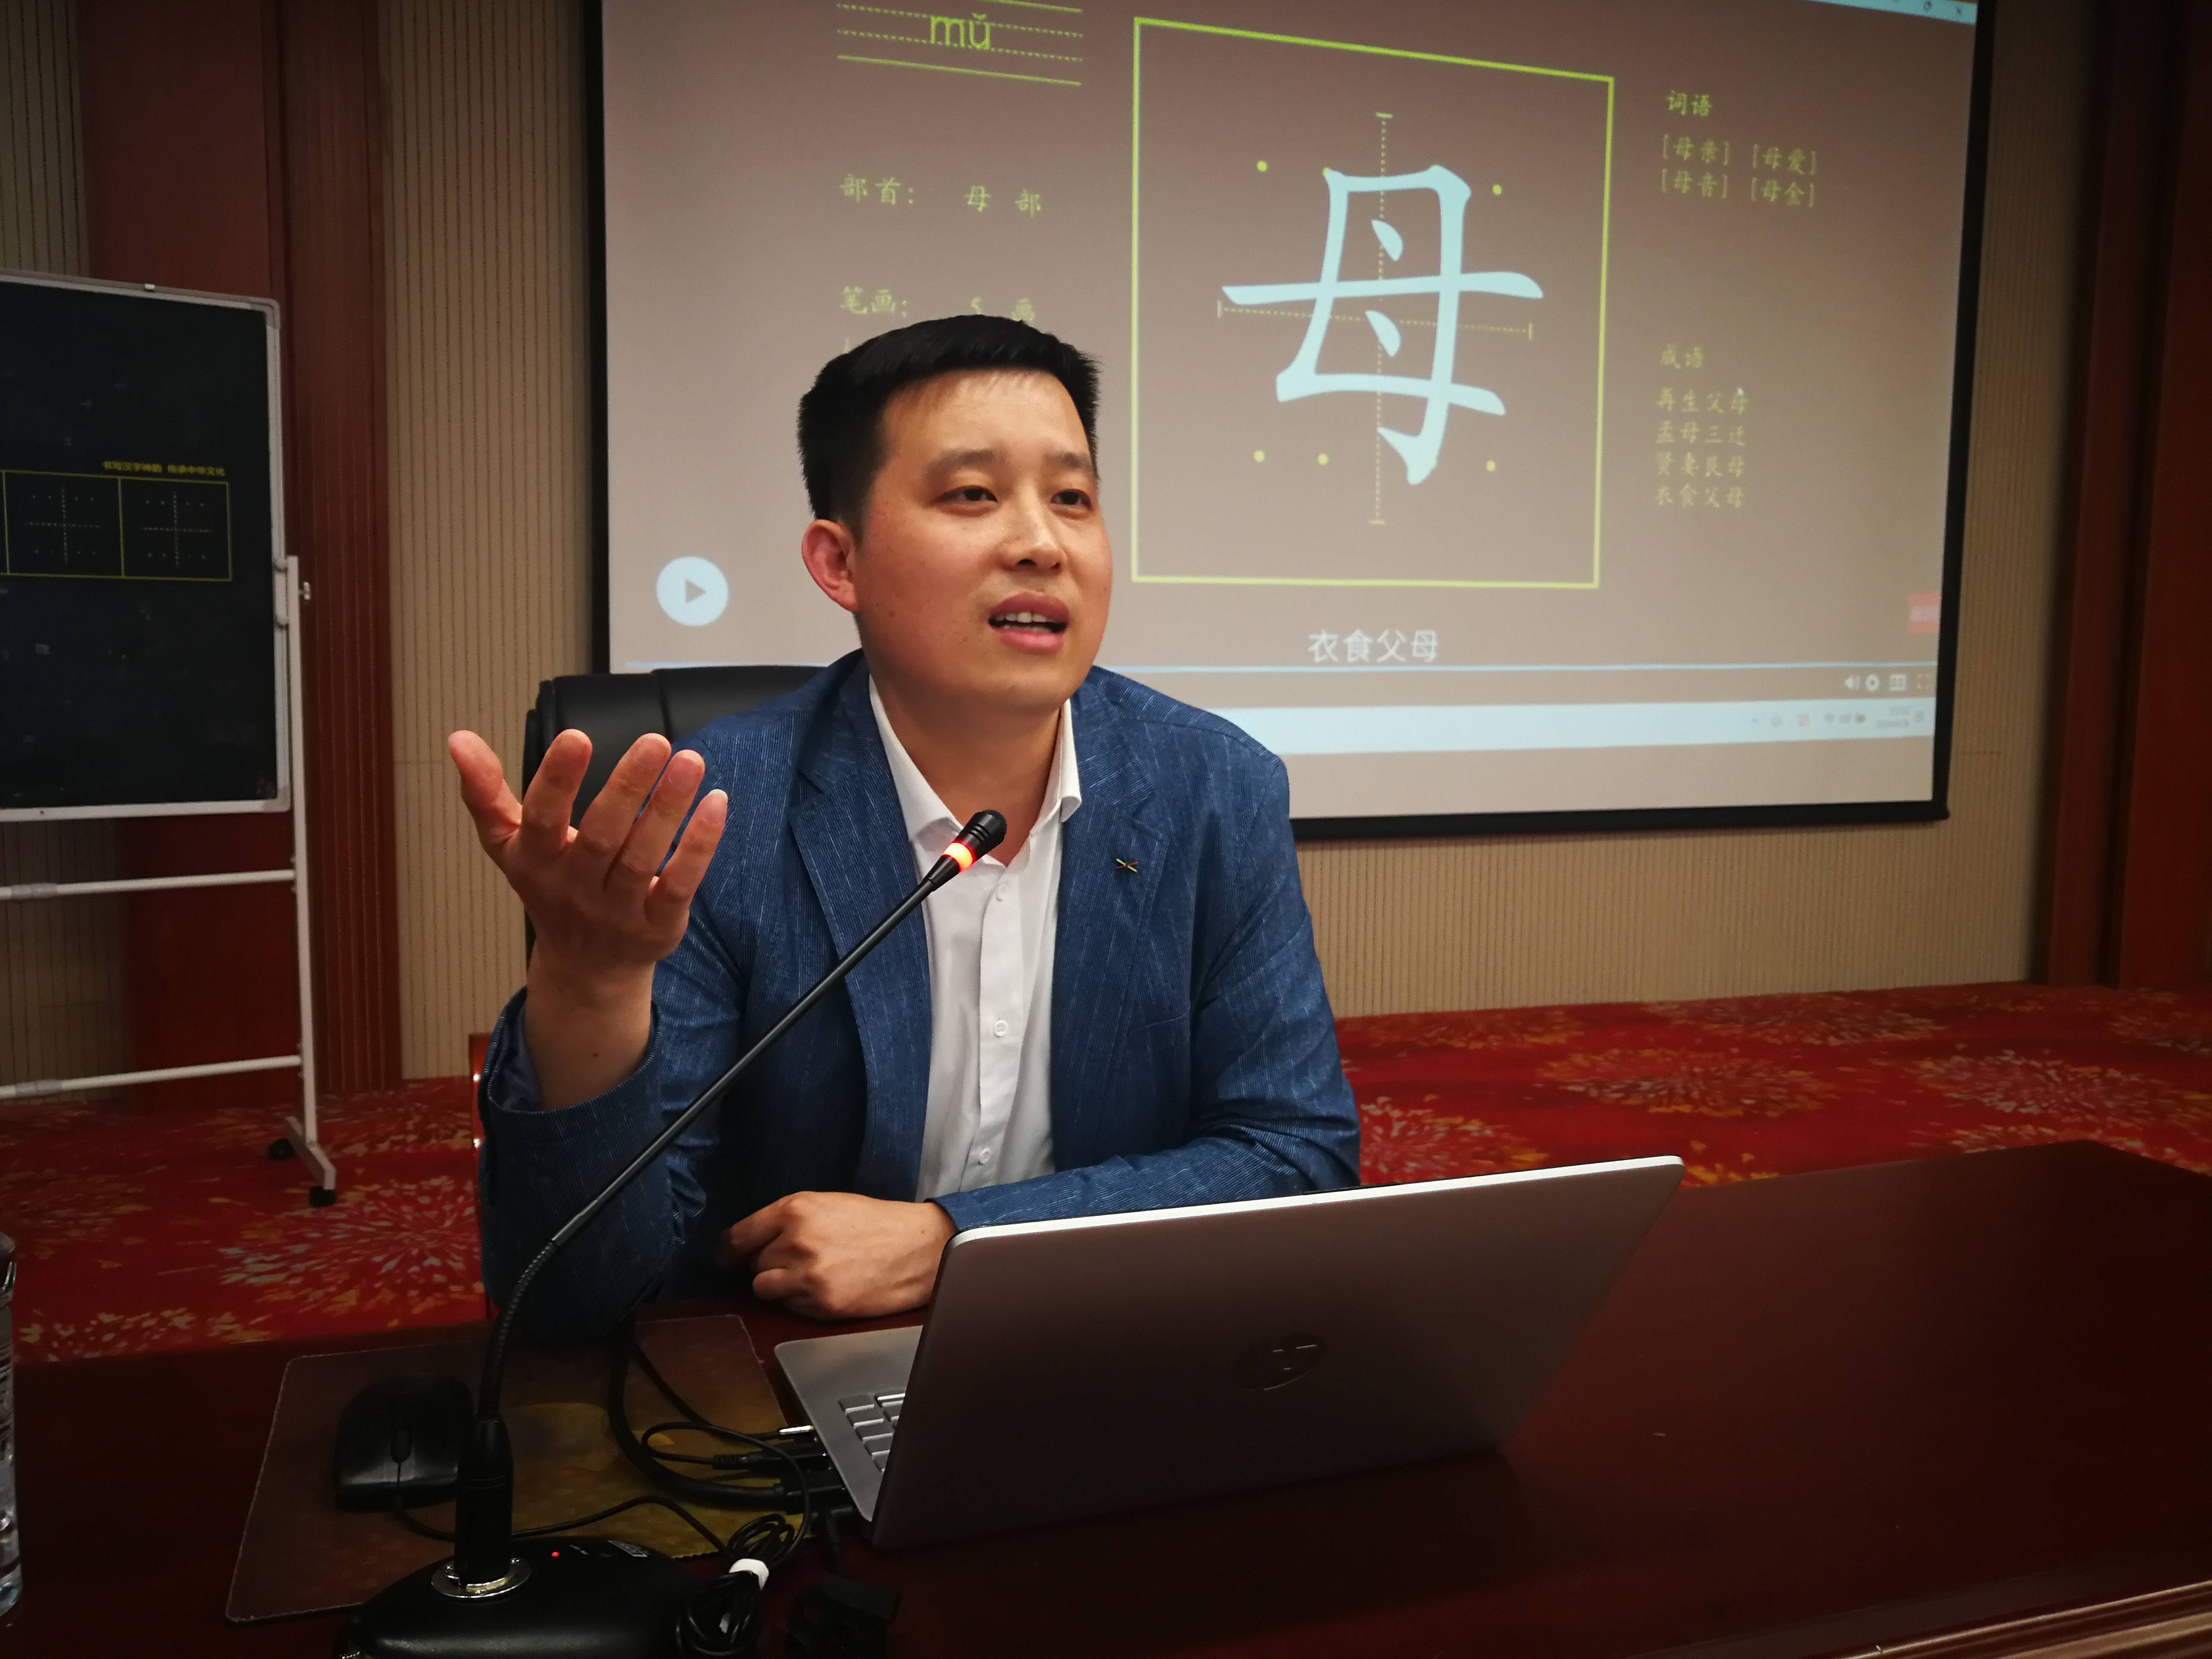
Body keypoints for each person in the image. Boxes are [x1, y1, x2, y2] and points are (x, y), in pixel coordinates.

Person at [451, 315, 1359, 1344]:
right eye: (972, 494)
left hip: (1103, 1335)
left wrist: (956, 1239)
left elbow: (1296, 1156)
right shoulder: (718, 813)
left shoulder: (1213, 787)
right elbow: (581, 1299)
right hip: (791, 1363)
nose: (1041, 542)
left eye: (1072, 499)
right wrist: (589, 988)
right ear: (839, 563)